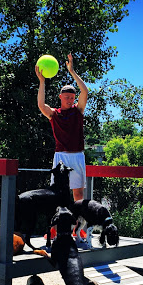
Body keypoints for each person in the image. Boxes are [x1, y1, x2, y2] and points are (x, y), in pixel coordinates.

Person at [36, 53, 88, 201]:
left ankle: (79, 224)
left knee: (78, 195)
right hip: (60, 157)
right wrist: (42, 81)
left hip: (77, 155)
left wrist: (72, 71)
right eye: (67, 97)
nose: (70, 100)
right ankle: (58, 224)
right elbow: (41, 105)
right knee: (57, 194)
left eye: (72, 97)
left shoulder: (78, 111)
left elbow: (85, 91)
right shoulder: (54, 114)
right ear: (60, 97)